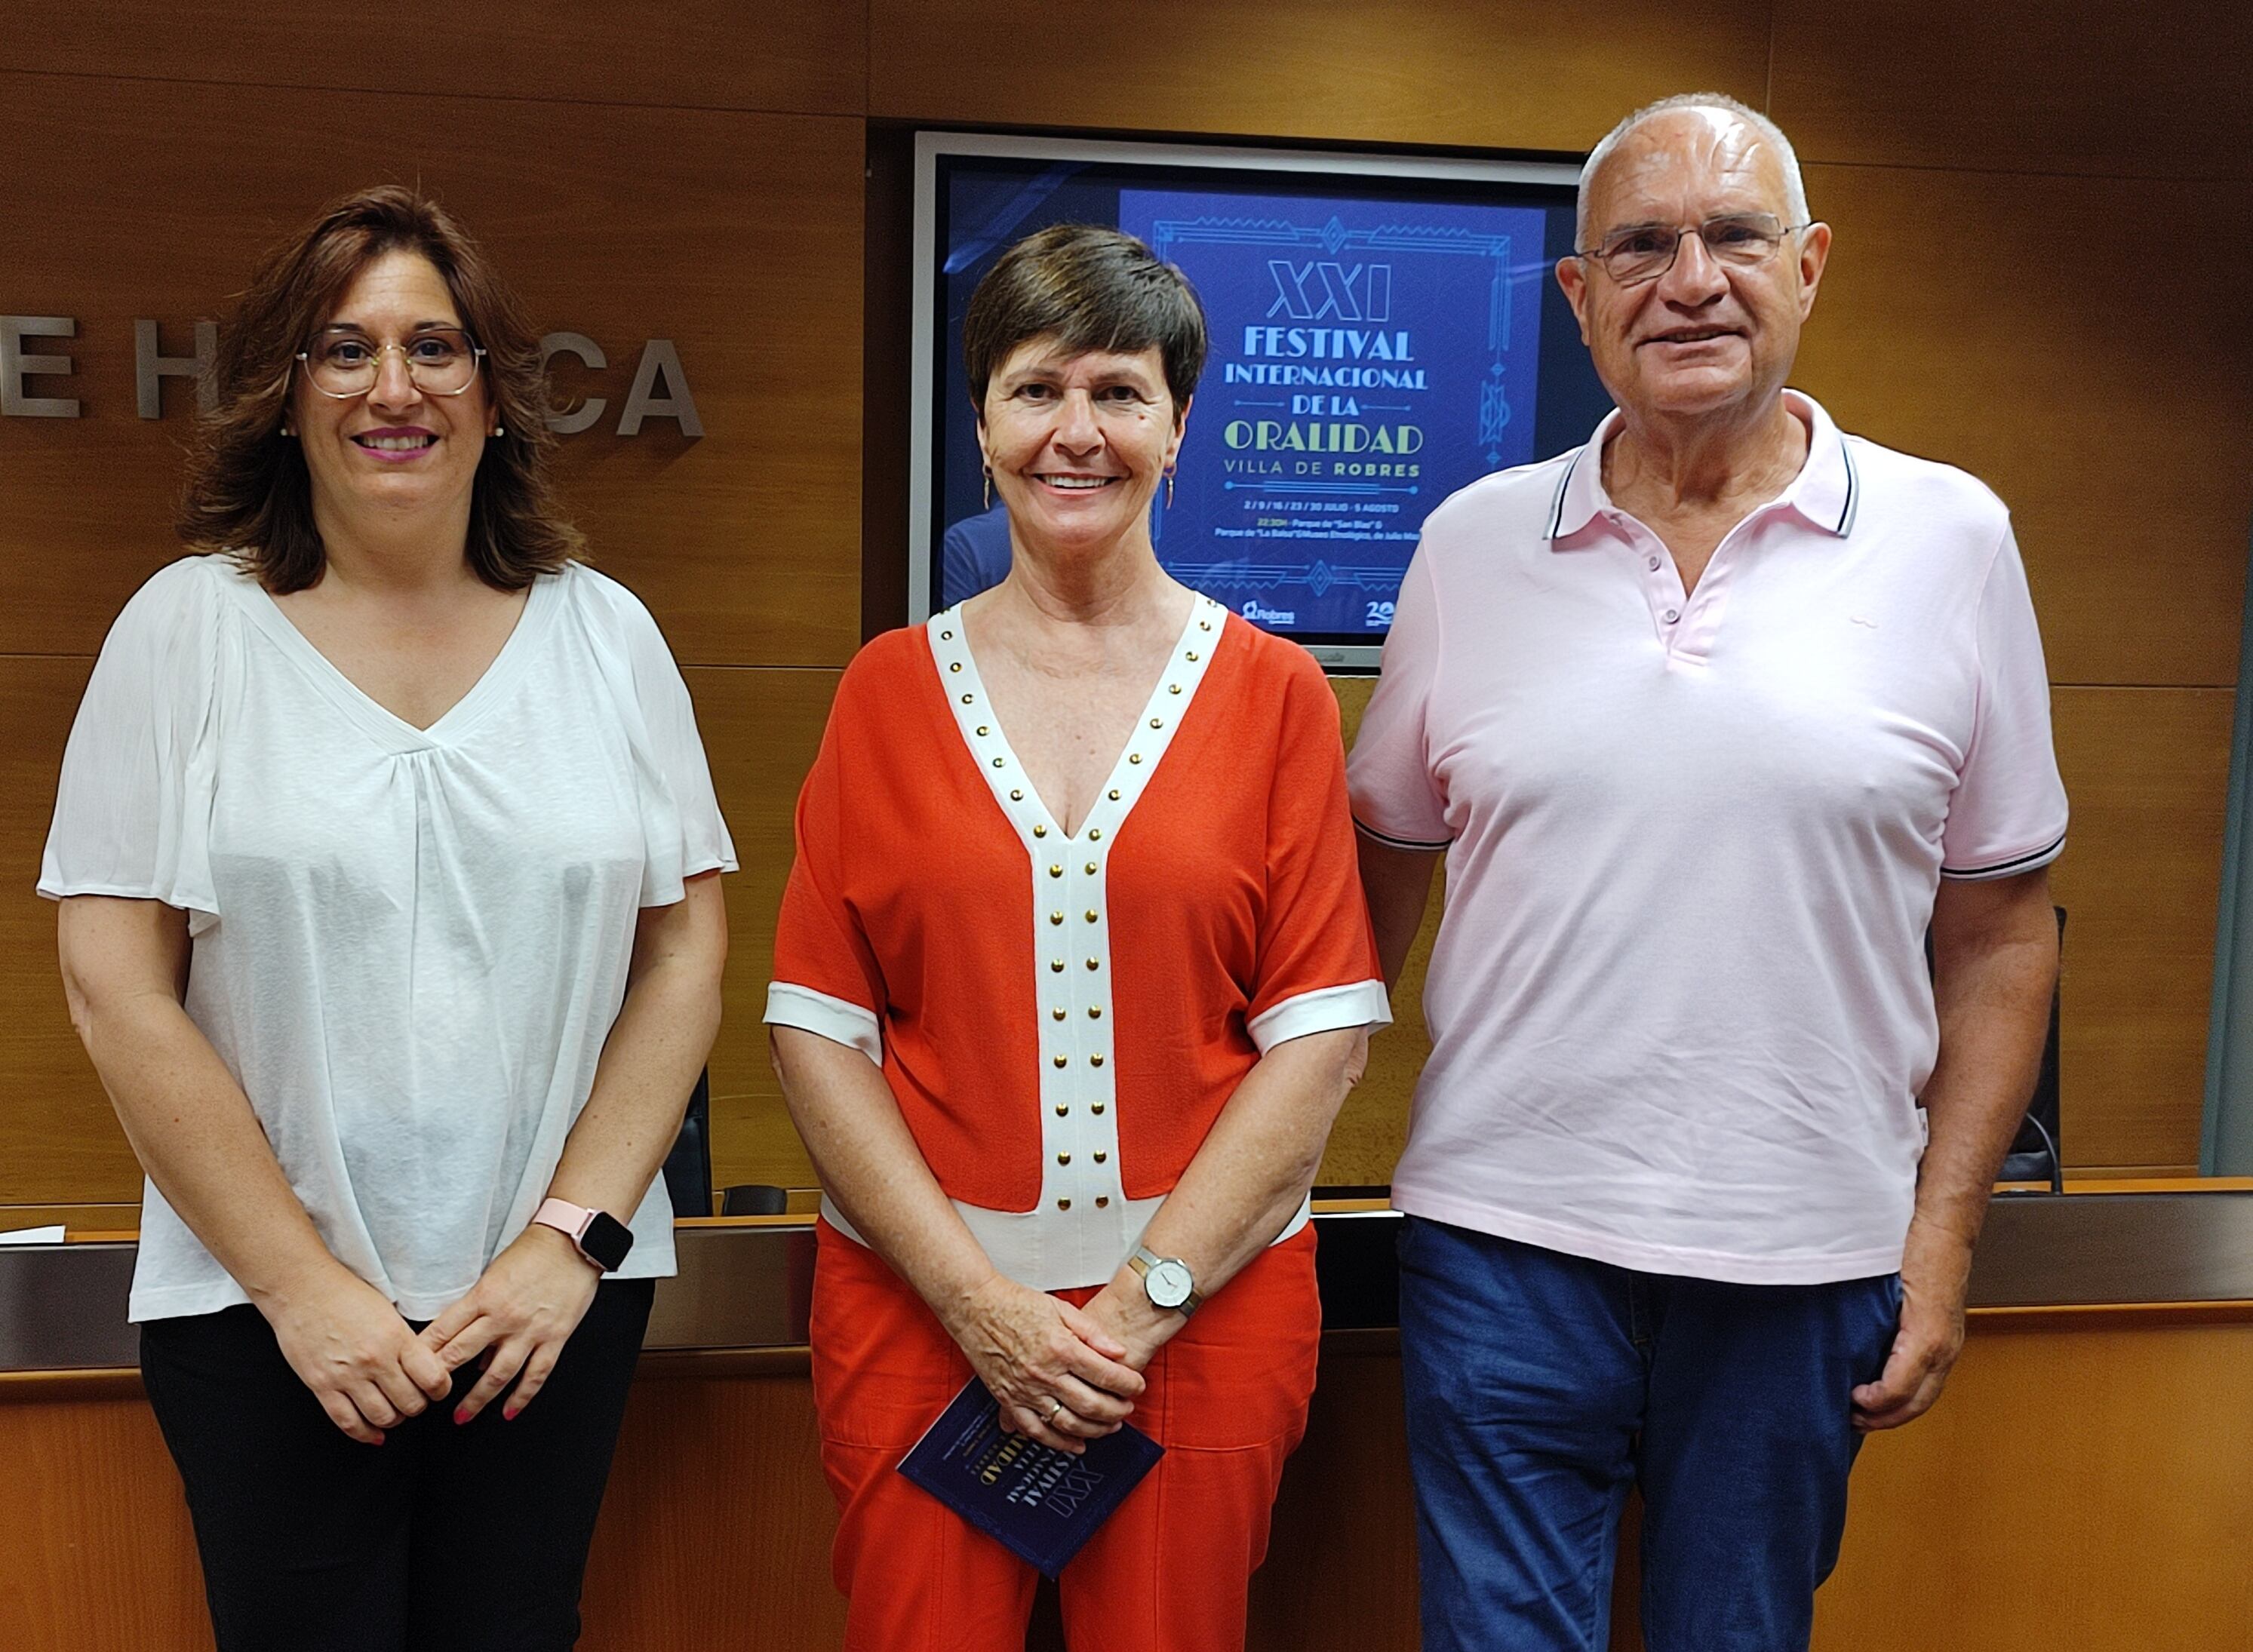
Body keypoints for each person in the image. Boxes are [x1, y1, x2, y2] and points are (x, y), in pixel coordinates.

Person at [1348, 94, 2067, 1652]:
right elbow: (1373, 882)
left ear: (1806, 266)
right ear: (1576, 297)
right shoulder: (1470, 544)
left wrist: (1936, 1242)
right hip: (1502, 1244)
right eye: (1641, 246)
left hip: (1802, 1258)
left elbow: (2003, 936)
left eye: (1733, 237)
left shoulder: (1951, 540)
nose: (1690, 280)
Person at [41, 185, 733, 1652]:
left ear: (494, 394)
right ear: (286, 398)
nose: (393, 386)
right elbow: (115, 984)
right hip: (260, 1318)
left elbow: (683, 958)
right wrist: (300, 1287)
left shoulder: (605, 635)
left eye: (435, 347)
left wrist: (569, 1245)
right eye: (344, 351)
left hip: (547, 1312)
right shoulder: (188, 629)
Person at [766, 223, 1389, 1649]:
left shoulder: (1277, 691)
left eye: (1119, 392)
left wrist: (1141, 1299)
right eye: (1036, 388)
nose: (1076, 431)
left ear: (1178, 426)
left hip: (1203, 1314)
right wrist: (981, 1306)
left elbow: (1318, 1038)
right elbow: (817, 1028)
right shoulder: (881, 692)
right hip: (921, 1313)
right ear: (979, 422)